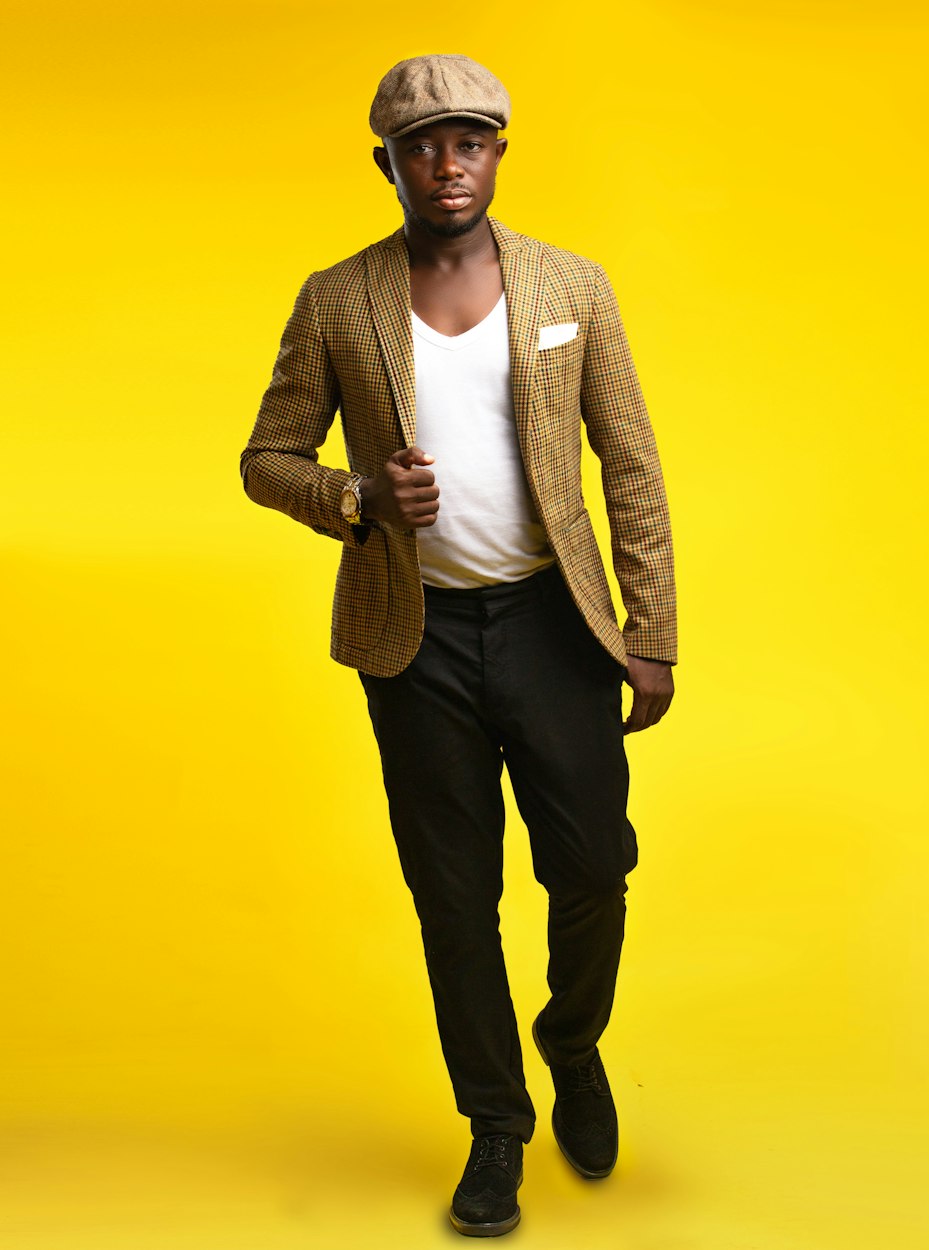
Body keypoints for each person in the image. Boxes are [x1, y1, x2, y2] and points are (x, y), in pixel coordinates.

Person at [240, 53, 677, 1238]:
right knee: (454, 898)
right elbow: (265, 456)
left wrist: (652, 632)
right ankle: (496, 1125)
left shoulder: (569, 284)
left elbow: (627, 461)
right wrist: (358, 495)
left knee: (592, 865)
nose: (448, 164)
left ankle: (570, 1043)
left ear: (496, 154)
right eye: (423, 145)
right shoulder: (338, 298)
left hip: (550, 620)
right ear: (386, 162)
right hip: (414, 638)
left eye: (469, 141)